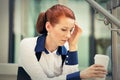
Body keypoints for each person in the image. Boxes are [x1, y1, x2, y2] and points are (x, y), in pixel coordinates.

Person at [17, 4, 107, 80]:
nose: (68, 35)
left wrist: (73, 46)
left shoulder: (67, 48)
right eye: (63, 29)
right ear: (48, 26)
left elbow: (70, 77)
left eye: (71, 30)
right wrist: (80, 75)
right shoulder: (27, 45)